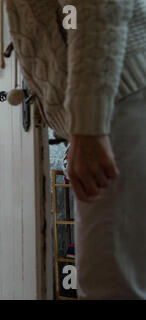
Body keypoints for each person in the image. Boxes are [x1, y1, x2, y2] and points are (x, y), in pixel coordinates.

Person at [7, 0, 146, 298]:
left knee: (110, 286)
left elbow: (99, 6)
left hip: (119, 99)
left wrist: (89, 125)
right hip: (116, 101)